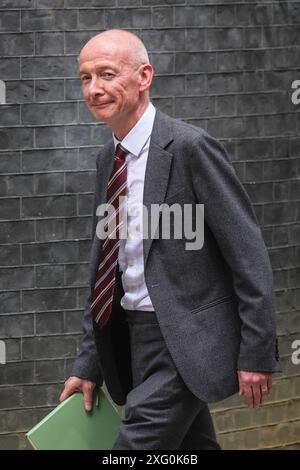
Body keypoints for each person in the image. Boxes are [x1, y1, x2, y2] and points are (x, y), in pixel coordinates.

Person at [59, 29, 281, 450]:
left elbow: (247, 254)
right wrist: (89, 363)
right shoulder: (109, 159)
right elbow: (107, 268)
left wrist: (257, 352)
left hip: (187, 341)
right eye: (85, 78)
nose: (94, 89)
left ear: (144, 76)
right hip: (133, 339)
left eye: (107, 74)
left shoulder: (192, 148)